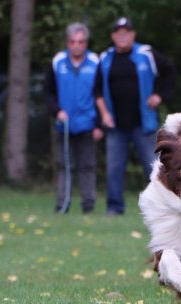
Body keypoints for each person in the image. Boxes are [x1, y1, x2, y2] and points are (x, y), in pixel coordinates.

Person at [95, 17, 176, 215]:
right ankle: (114, 208)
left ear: (133, 35)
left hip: (144, 124)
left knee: (155, 168)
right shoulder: (105, 58)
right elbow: (97, 91)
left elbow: (170, 71)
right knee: (114, 169)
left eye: (126, 31)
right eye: (118, 32)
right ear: (113, 36)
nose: (122, 35)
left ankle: (164, 208)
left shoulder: (146, 54)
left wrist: (159, 95)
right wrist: (104, 114)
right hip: (115, 125)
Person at [44, 22, 103, 214]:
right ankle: (63, 203)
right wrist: (56, 110)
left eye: (81, 41)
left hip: (88, 124)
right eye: (73, 42)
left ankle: (88, 205)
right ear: (68, 43)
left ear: (86, 43)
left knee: (88, 166)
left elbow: (102, 95)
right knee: (64, 166)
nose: (77, 45)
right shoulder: (57, 62)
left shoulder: (96, 62)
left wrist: (99, 125)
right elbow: (48, 92)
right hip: (65, 124)